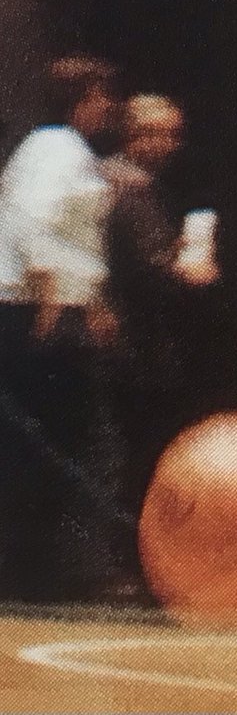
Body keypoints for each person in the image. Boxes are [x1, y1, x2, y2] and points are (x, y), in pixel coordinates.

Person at [0, 53, 123, 600]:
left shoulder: (64, 150)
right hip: (34, 311)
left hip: (52, 308)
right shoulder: (55, 147)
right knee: (68, 439)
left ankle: (58, 567)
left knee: (65, 438)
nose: (107, 106)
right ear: (81, 99)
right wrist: (51, 299)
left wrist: (91, 301)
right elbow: (33, 219)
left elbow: (74, 237)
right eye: (100, 96)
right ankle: (66, 570)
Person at [104, 93, 220, 566]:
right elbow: (156, 271)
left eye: (176, 134)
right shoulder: (131, 186)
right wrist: (194, 258)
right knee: (136, 455)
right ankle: (129, 560)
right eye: (163, 134)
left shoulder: (109, 177)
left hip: (122, 340)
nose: (172, 145)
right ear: (138, 134)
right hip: (136, 346)